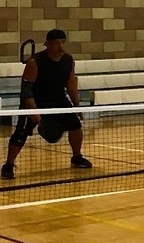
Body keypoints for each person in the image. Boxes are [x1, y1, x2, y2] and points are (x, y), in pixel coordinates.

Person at [2, 29, 92, 180]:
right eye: (57, 43)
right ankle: (8, 165)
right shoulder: (35, 62)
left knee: (76, 126)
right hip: (35, 102)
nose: (61, 46)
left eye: (63, 42)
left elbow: (71, 85)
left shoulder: (68, 60)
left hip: (58, 101)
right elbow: (26, 90)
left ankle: (76, 157)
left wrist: (77, 107)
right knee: (21, 133)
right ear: (47, 44)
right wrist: (34, 111)